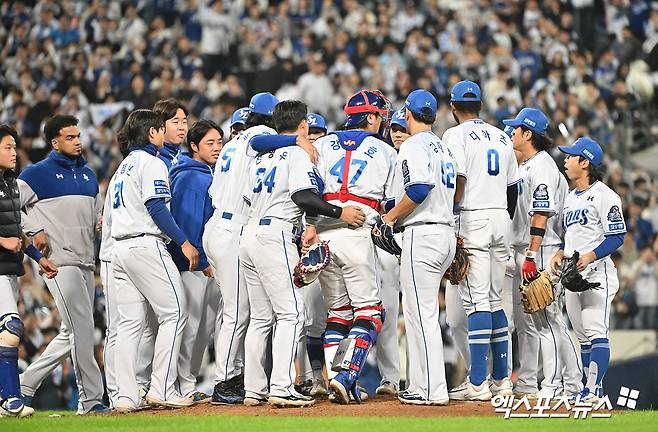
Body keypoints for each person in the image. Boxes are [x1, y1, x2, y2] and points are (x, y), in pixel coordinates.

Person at [240, 100, 363, 408]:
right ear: (304, 125)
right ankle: (281, 387)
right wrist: (339, 211)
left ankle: (254, 388)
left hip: (250, 233)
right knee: (292, 314)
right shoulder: (297, 152)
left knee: (260, 317)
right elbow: (303, 196)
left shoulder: (260, 155)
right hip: (275, 232)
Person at [204, 92, 314, 405]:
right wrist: (295, 143)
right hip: (238, 227)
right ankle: (226, 381)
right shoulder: (263, 137)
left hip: (224, 225)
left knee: (255, 314)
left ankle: (250, 385)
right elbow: (261, 143)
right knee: (241, 312)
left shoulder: (235, 140)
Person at [17, 115, 111, 415]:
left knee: (74, 331)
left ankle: (23, 385)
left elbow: (97, 212)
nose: (78, 141)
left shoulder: (87, 174)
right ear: (54, 142)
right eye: (70, 137)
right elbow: (8, 207)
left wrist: (98, 222)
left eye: (78, 135)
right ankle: (91, 399)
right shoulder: (36, 174)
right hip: (58, 262)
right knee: (82, 328)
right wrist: (33, 230)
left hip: (85, 261)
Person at [109, 109, 200, 411]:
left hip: (119, 249)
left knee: (130, 325)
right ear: (151, 134)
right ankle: (161, 387)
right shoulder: (151, 162)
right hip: (145, 246)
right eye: (161, 129)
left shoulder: (122, 167)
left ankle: (125, 395)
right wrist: (184, 242)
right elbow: (157, 208)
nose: (164, 133)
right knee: (174, 312)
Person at [309, 89, 395, 404]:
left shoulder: (320, 143)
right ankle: (346, 376)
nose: (383, 122)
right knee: (370, 312)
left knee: (339, 313)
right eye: (381, 116)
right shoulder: (385, 150)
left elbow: (309, 187)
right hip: (358, 231)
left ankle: (336, 380)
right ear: (370, 116)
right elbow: (393, 201)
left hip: (323, 234)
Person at [442, 81, 519, 401]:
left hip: (473, 217)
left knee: (477, 304)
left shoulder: (454, 135)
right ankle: (502, 379)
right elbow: (514, 188)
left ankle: (477, 382)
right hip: (502, 217)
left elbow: (458, 180)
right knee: (495, 300)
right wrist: (504, 220)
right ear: (481, 106)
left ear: (453, 107)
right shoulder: (502, 135)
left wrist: (454, 218)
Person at [381, 90, 456, 405]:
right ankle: (425, 385)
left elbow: (419, 188)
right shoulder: (442, 145)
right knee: (424, 312)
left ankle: (431, 389)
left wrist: (389, 217)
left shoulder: (412, 144)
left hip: (422, 234)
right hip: (444, 233)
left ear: (408, 115)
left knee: (419, 312)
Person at [503, 108, 583, 398]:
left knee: (549, 320)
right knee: (529, 323)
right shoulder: (527, 165)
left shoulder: (543, 166)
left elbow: (541, 213)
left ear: (528, 134)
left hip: (543, 248)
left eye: (516, 129)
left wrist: (531, 256)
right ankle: (527, 382)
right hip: (528, 248)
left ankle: (558, 384)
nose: (512, 133)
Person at [550, 137, 626, 403]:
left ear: (585, 163)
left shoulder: (606, 195)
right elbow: (569, 236)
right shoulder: (570, 198)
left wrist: (590, 256)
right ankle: (595, 391)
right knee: (582, 337)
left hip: (597, 274)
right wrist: (560, 251)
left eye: (571, 156)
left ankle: (591, 390)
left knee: (595, 331)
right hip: (573, 276)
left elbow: (617, 237)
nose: (566, 160)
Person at [0, 125, 57, 418]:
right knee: (10, 328)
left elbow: (16, 231)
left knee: (5, 334)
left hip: (9, 269)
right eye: (8, 147)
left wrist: (37, 257)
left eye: (14, 147)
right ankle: (10, 399)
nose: (14, 153)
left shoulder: (10, 183)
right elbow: (7, 236)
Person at [168, 120, 223, 404]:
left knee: (201, 326)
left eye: (218, 142)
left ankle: (187, 381)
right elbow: (188, 224)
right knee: (191, 325)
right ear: (194, 146)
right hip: (190, 264)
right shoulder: (191, 176)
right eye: (209, 143)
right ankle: (182, 383)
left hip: (202, 262)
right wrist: (201, 260)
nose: (216, 147)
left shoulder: (204, 173)